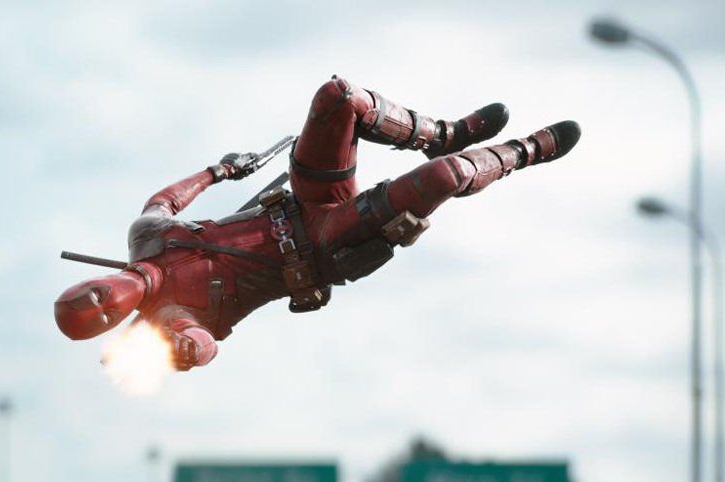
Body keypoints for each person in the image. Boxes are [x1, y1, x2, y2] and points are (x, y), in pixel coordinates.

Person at [54, 75, 580, 370]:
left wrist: (218, 171)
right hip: (324, 243)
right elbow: (200, 340)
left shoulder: (146, 238)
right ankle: (525, 151)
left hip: (299, 201)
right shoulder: (167, 321)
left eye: (88, 292)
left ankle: (443, 131)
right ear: (110, 327)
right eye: (98, 312)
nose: (101, 298)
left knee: (337, 98)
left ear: (86, 278)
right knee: (440, 179)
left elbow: (162, 200)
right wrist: (193, 350)